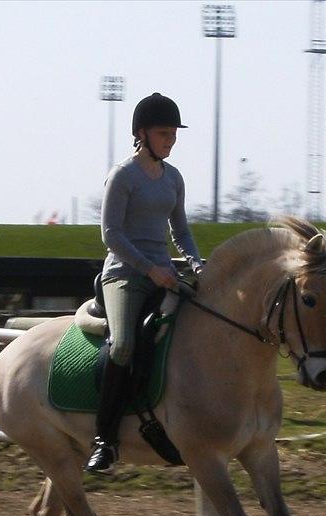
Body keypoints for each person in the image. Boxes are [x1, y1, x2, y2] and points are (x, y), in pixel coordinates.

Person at [85, 92, 204, 473]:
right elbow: (111, 234)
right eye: (164, 133)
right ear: (142, 134)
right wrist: (150, 270)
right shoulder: (123, 175)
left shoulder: (174, 179)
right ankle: (105, 439)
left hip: (164, 271)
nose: (170, 140)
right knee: (122, 344)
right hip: (124, 274)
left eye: (173, 134)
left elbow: (181, 231)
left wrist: (197, 263)